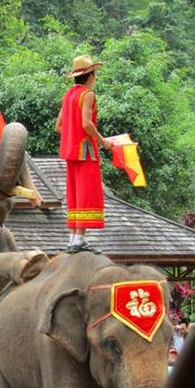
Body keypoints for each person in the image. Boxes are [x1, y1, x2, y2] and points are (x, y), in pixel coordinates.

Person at [55, 55, 113, 254]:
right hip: (86, 150)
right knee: (87, 192)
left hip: (71, 151)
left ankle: (73, 237)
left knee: (74, 192)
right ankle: (80, 238)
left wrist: (73, 135)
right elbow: (87, 124)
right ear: (90, 75)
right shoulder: (87, 94)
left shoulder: (68, 94)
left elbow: (59, 126)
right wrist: (103, 141)